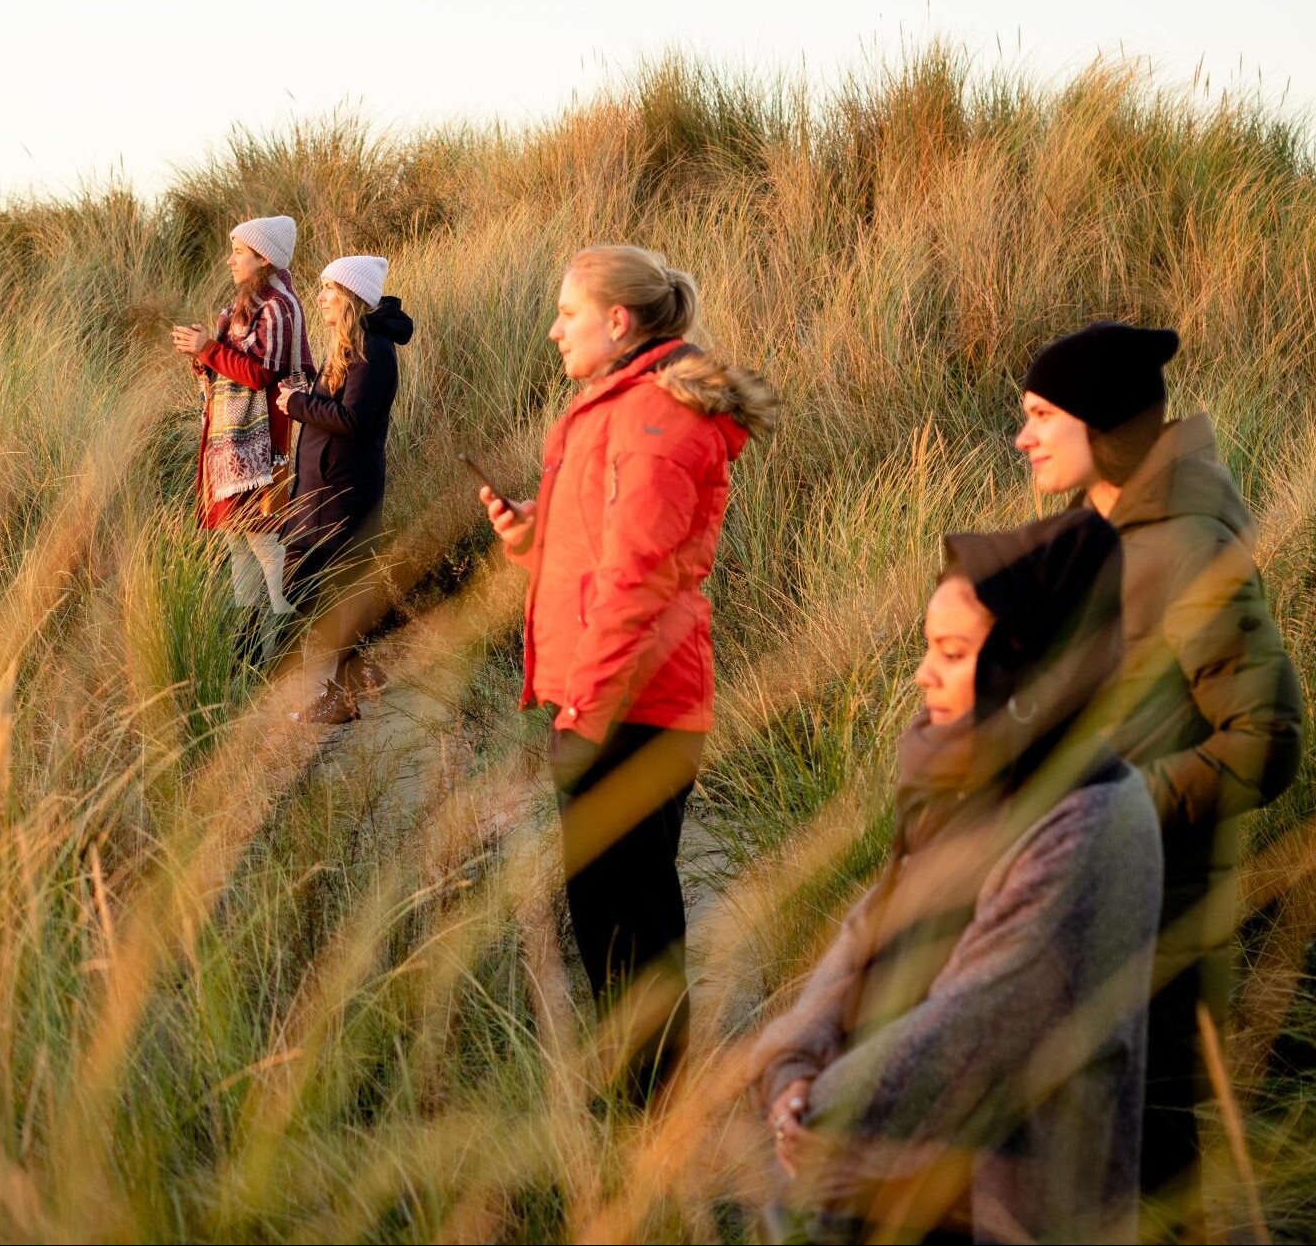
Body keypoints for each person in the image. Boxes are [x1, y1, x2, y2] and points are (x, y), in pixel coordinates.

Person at [750, 510, 1163, 1244]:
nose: (922, 673)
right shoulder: (959, 779)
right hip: (864, 1185)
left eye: (949, 651)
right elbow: (866, 934)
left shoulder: (1093, 817)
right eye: (926, 647)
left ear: (1025, 667)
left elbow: (973, 1026)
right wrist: (791, 1064)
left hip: (995, 1213)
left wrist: (825, 1112)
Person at [1014, 320, 1305, 1228]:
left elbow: (1267, 737)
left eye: (1037, 415)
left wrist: (1123, 804)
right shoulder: (1090, 532)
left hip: (1150, 908)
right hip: (1068, 894)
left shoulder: (1185, 547)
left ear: (1100, 427)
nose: (1020, 436)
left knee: (1145, 1166)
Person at [481, 244, 777, 1089]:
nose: (551, 330)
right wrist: (529, 535)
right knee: (613, 919)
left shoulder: (654, 422)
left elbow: (636, 582)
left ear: (617, 322)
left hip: (634, 710)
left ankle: (655, 1117)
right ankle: (644, 1100)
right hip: (618, 702)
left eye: (567, 314)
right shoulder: (616, 408)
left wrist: (587, 716)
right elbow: (597, 556)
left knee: (628, 928)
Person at [275, 254, 413, 725]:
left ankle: (342, 694)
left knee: (331, 589)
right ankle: (360, 673)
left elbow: (353, 421)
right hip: (321, 493)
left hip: (344, 494)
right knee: (312, 585)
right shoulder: (349, 346)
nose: (319, 297)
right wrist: (306, 398)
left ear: (349, 296)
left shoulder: (373, 350)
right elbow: (332, 411)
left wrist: (297, 404)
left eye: (327, 289)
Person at [170, 216, 312, 654]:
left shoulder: (278, 307)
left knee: (265, 543)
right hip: (235, 449)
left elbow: (260, 373)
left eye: (239, 252)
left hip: (263, 446)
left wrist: (208, 350)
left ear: (263, 258)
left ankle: (285, 644)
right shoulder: (242, 307)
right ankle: (251, 651)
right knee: (240, 545)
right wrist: (203, 354)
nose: (229, 259)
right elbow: (230, 365)